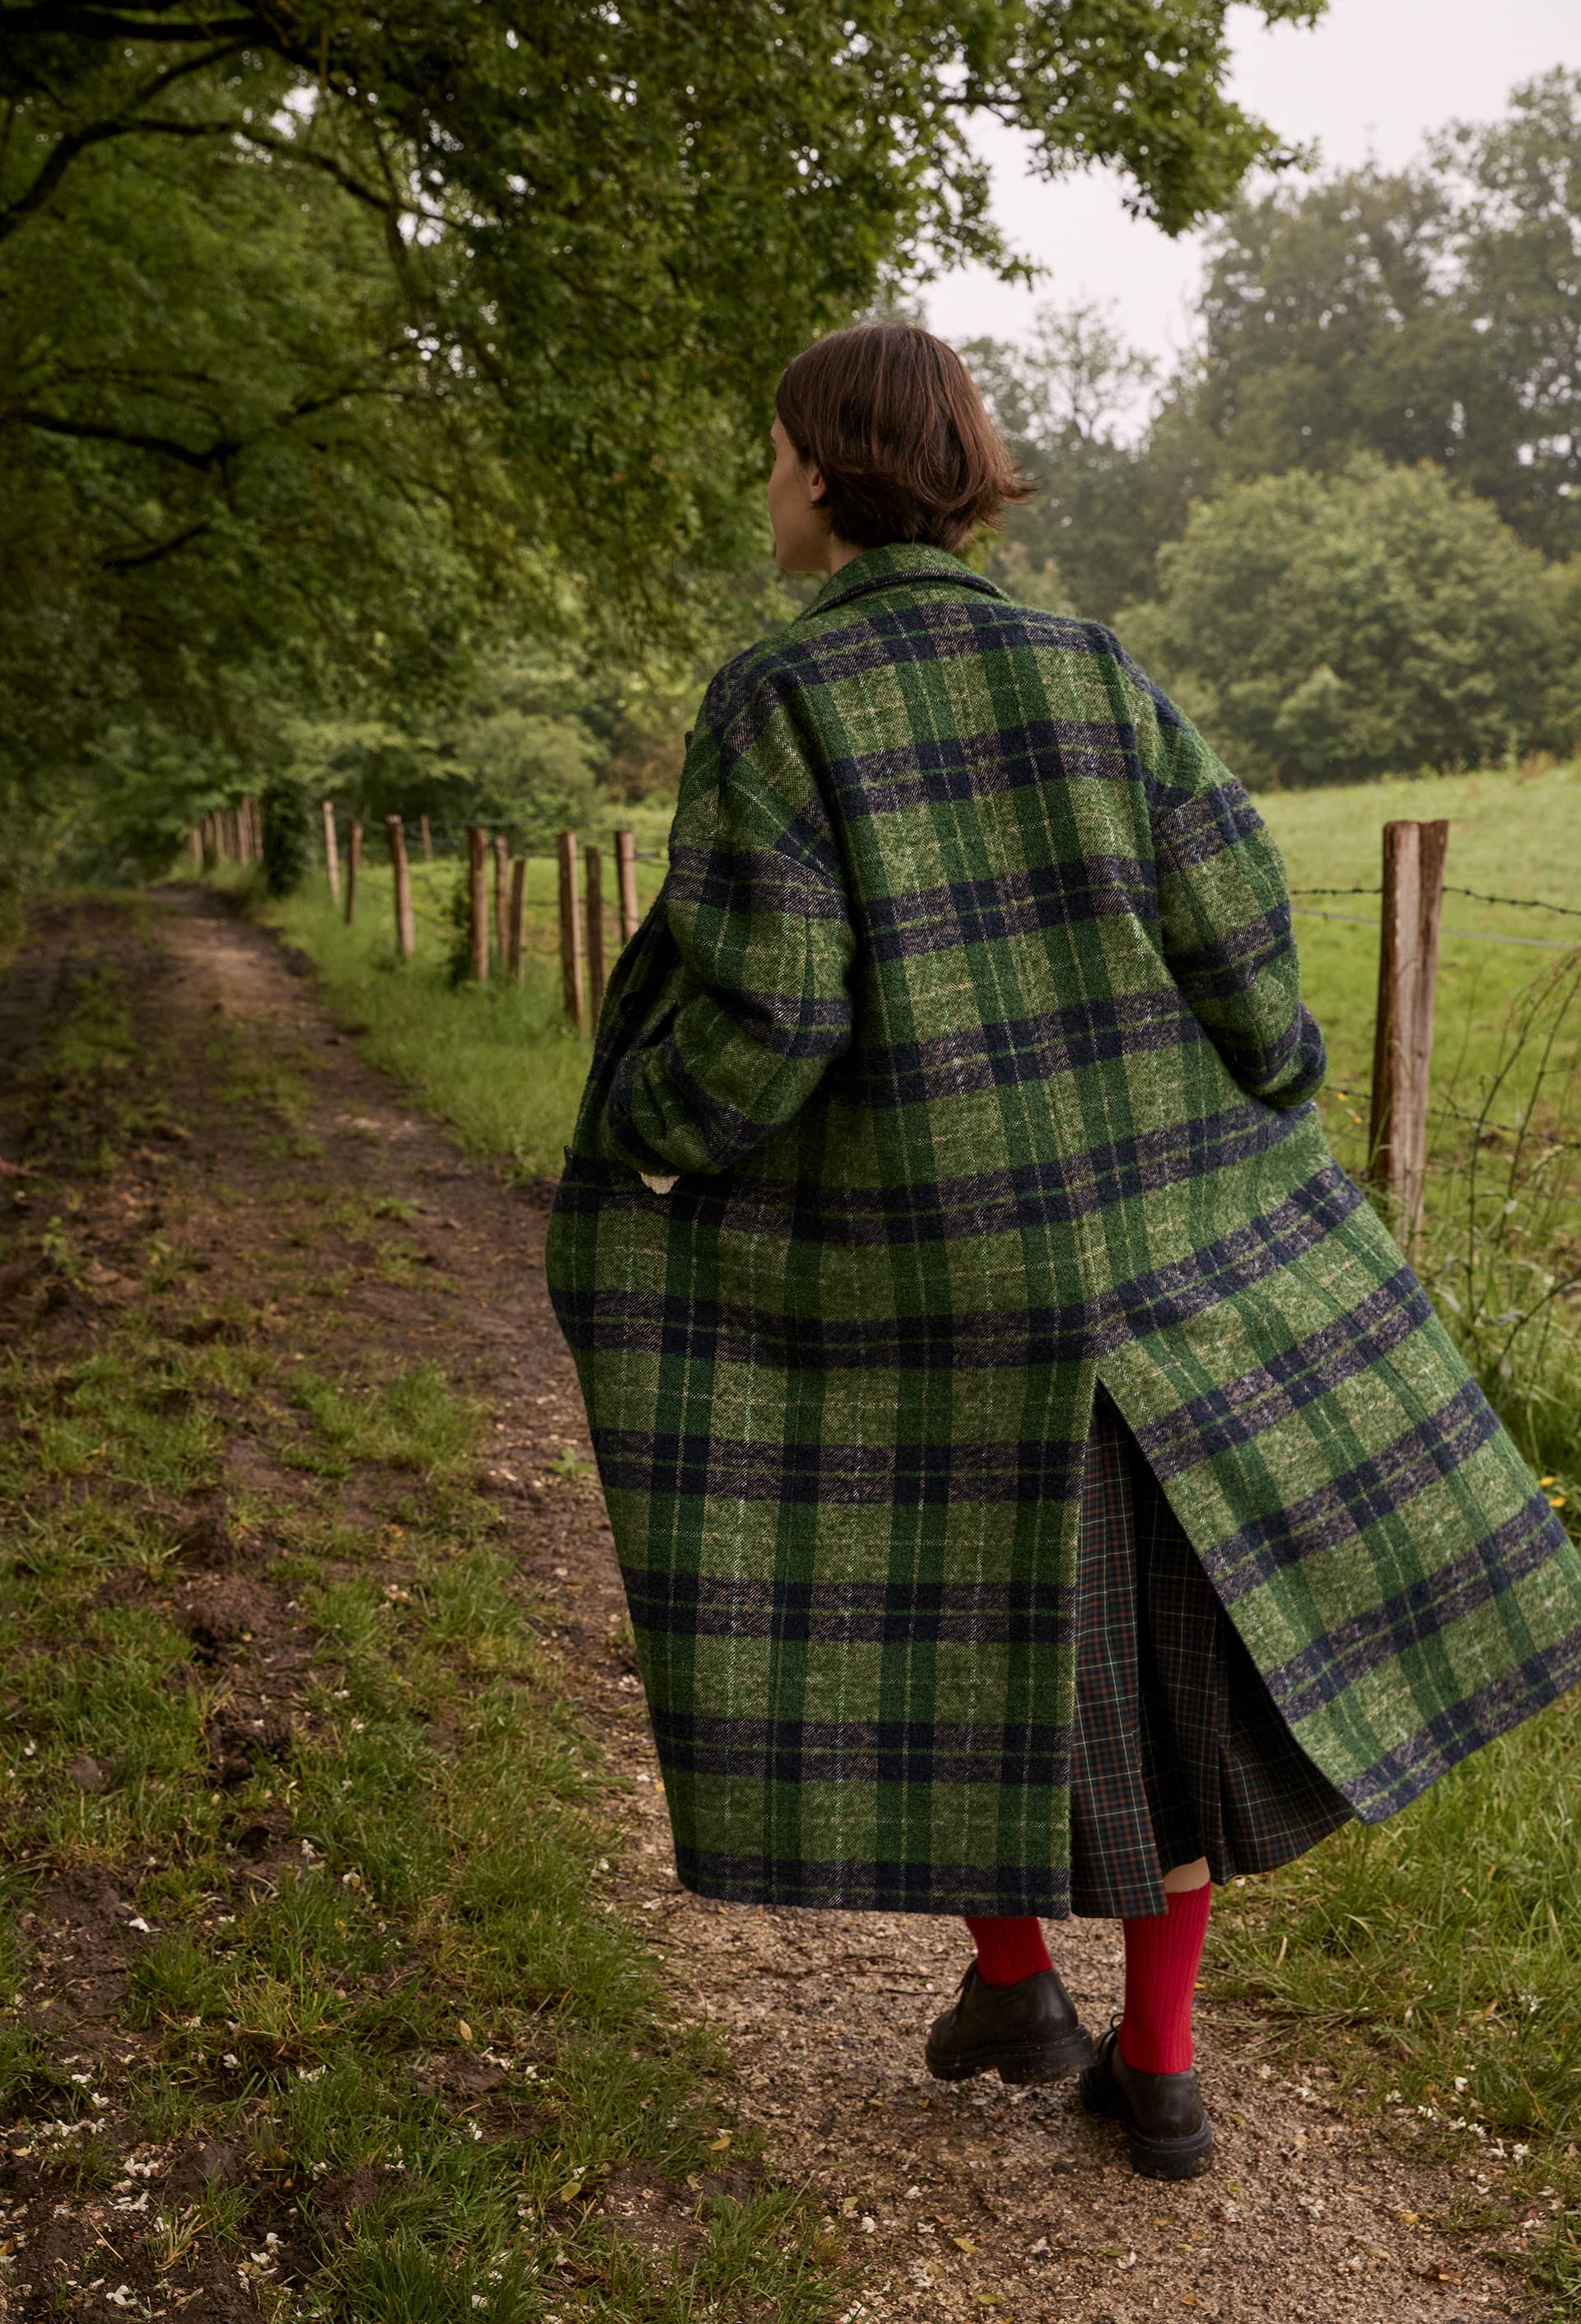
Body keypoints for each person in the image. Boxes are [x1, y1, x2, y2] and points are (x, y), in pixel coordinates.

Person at [544, 321, 1581, 2182]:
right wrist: (1267, 1078)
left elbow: (768, 1015)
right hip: (1150, 1290)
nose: (765, 480)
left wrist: (640, 1135)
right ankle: (1156, 2069)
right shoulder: (1097, 673)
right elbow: (1242, 942)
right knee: (1161, 1697)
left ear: (834, 468)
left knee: (968, 1648)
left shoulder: (779, 702)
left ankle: (1017, 1982)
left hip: (936, 1299)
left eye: (777, 449)